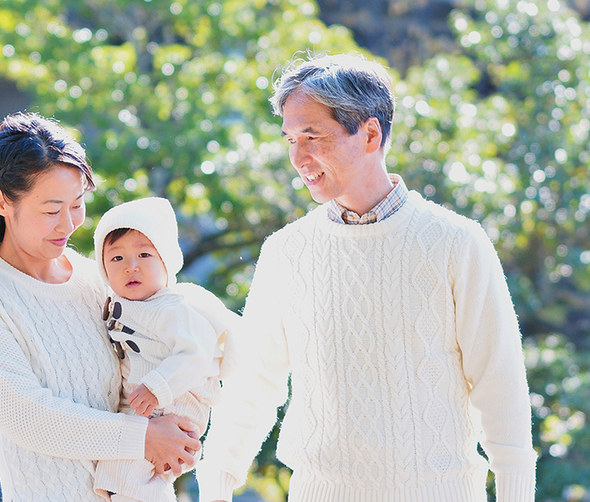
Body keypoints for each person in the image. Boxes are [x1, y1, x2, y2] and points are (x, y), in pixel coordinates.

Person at [195, 53, 537, 502]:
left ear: (370, 133)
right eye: (290, 139)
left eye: (313, 136)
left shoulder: (456, 242)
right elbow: (252, 384)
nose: (299, 157)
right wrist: (216, 482)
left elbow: (500, 384)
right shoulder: (285, 252)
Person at [0, 112, 200, 502]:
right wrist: (143, 438)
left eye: (77, 204)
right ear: (1, 200)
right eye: (50, 210)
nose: (68, 224)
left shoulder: (102, 279)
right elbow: (27, 416)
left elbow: (156, 360)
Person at [90, 197, 236, 502]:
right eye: (116, 259)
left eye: (144, 254)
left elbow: (195, 353)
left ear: (166, 262)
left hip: (177, 401)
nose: (131, 267)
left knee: (127, 480)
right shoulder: (122, 305)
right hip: (150, 406)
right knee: (119, 479)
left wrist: (158, 387)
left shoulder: (171, 308)